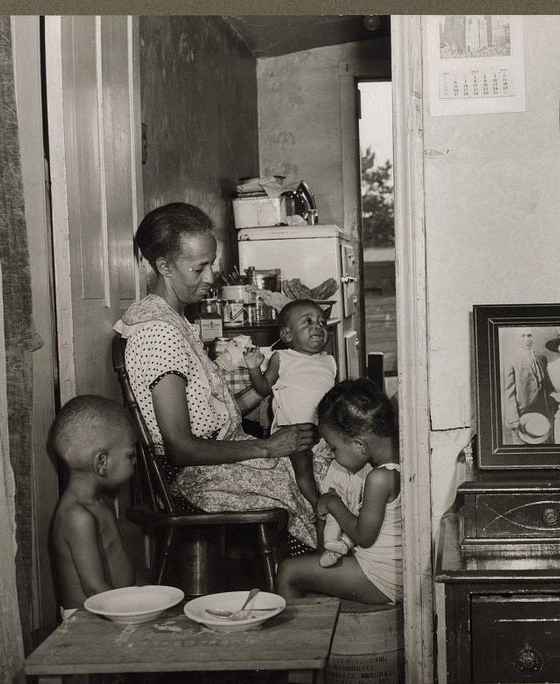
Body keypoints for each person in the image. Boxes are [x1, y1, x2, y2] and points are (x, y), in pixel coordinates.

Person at [113, 202, 327, 553]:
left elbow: (210, 412)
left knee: (321, 460)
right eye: (199, 268)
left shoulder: (175, 320)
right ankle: (317, 572)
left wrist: (263, 390)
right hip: (193, 479)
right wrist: (268, 446)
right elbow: (181, 448)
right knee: (311, 481)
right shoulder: (156, 333)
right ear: (164, 266)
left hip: (217, 457)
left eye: (211, 263)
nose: (211, 277)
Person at [276, 379, 403, 604]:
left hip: (380, 577)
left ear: (360, 445)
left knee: (288, 571)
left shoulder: (379, 478)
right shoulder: (400, 459)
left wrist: (333, 502)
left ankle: (296, 639)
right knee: (313, 567)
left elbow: (363, 536)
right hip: (392, 570)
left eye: (334, 448)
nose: (334, 455)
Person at [49, 394, 146, 619]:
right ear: (101, 463)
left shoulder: (101, 502)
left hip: (112, 607)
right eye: (130, 455)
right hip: (87, 618)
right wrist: (136, 614)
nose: (134, 462)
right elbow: (94, 588)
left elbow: (119, 562)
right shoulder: (77, 517)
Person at [245, 298, 337, 509]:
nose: (318, 326)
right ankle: (317, 504)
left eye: (322, 322)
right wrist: (253, 369)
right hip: (292, 433)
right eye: (308, 322)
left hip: (323, 431)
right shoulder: (283, 358)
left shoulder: (329, 361)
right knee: (303, 466)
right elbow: (263, 388)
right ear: (287, 335)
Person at [501, 330, 552, 445]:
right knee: (523, 451)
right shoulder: (511, 359)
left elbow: (546, 387)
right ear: (517, 340)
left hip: (541, 413)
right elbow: (508, 391)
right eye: (522, 336)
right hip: (522, 415)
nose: (527, 339)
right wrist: (513, 418)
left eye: (529, 335)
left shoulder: (541, 358)